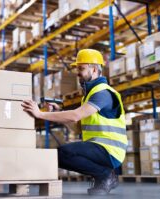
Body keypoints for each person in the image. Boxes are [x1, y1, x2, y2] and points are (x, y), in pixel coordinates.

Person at [21, 49, 128, 195]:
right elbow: (77, 129)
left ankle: (105, 175)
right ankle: (103, 175)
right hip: (98, 148)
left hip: (110, 151)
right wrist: (56, 112)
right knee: (60, 155)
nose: (77, 72)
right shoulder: (89, 95)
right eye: (77, 68)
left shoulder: (103, 93)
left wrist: (40, 114)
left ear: (95, 69)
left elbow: (75, 116)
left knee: (63, 153)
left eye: (81, 68)